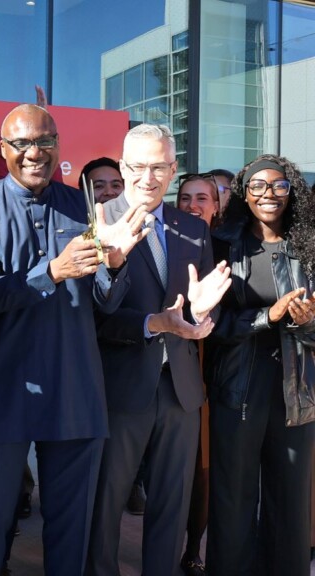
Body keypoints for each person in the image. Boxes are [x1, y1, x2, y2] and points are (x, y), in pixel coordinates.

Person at [0, 103, 150, 576]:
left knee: (71, 535)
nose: (35, 153)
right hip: (2, 392)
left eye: (45, 141)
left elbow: (104, 302)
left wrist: (115, 264)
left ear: (58, 147)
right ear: (2, 150)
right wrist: (54, 271)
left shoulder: (84, 207)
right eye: (22, 143)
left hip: (75, 391)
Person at [87, 124, 230, 576]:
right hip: (120, 385)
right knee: (105, 503)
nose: (147, 177)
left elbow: (207, 302)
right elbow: (92, 314)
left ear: (173, 170)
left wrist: (203, 319)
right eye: (138, 167)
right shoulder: (96, 219)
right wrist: (154, 323)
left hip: (181, 389)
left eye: (159, 167)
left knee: (173, 501)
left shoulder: (192, 227)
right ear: (123, 166)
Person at [204, 154, 315, 576]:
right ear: (244, 195)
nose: (270, 194)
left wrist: (308, 321)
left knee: (290, 500)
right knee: (233, 497)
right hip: (239, 388)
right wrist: (267, 317)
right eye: (259, 187)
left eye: (280, 186)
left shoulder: (309, 246)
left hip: (297, 392)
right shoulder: (223, 245)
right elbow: (210, 324)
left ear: (293, 192)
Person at [175, 172, 221, 576]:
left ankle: (195, 548)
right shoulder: (172, 243)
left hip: (218, 373)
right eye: (185, 197)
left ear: (216, 205)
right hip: (182, 369)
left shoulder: (226, 248)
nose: (193, 205)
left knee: (205, 470)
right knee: (184, 470)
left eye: (202, 197)